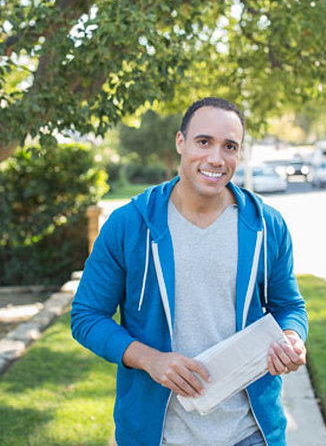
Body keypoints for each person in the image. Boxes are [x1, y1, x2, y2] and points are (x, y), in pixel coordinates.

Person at [71, 97, 308, 446]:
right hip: (159, 435)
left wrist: (291, 338)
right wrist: (151, 360)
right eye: (203, 142)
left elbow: (290, 306)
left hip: (250, 432)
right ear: (180, 142)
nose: (216, 158)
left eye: (230, 146)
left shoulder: (266, 226)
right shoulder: (129, 225)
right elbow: (87, 316)